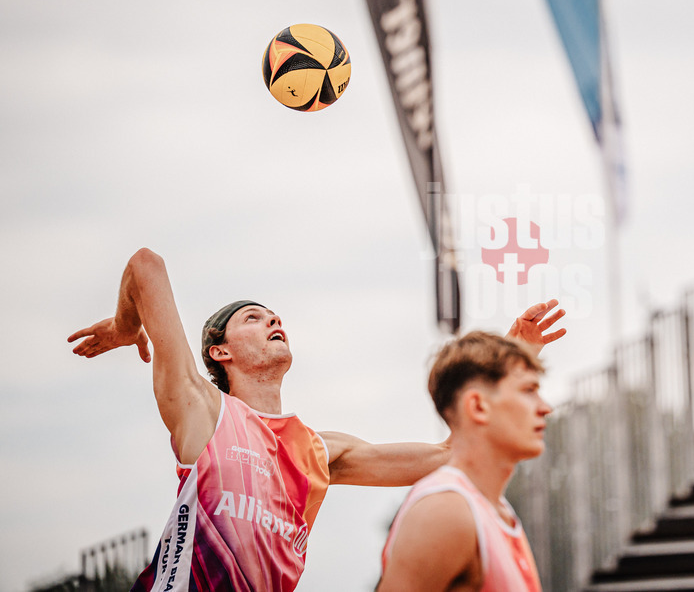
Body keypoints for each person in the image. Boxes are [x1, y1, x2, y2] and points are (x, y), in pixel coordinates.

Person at [67, 248, 566, 592]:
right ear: (219, 352)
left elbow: (448, 457)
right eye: (254, 318)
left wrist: (514, 355)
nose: (273, 321)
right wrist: (124, 326)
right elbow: (145, 265)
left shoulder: (319, 452)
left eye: (275, 316)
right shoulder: (201, 409)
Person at [377, 331, 552, 591]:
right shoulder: (445, 510)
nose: (545, 407)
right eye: (528, 390)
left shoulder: (497, 509)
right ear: (478, 406)